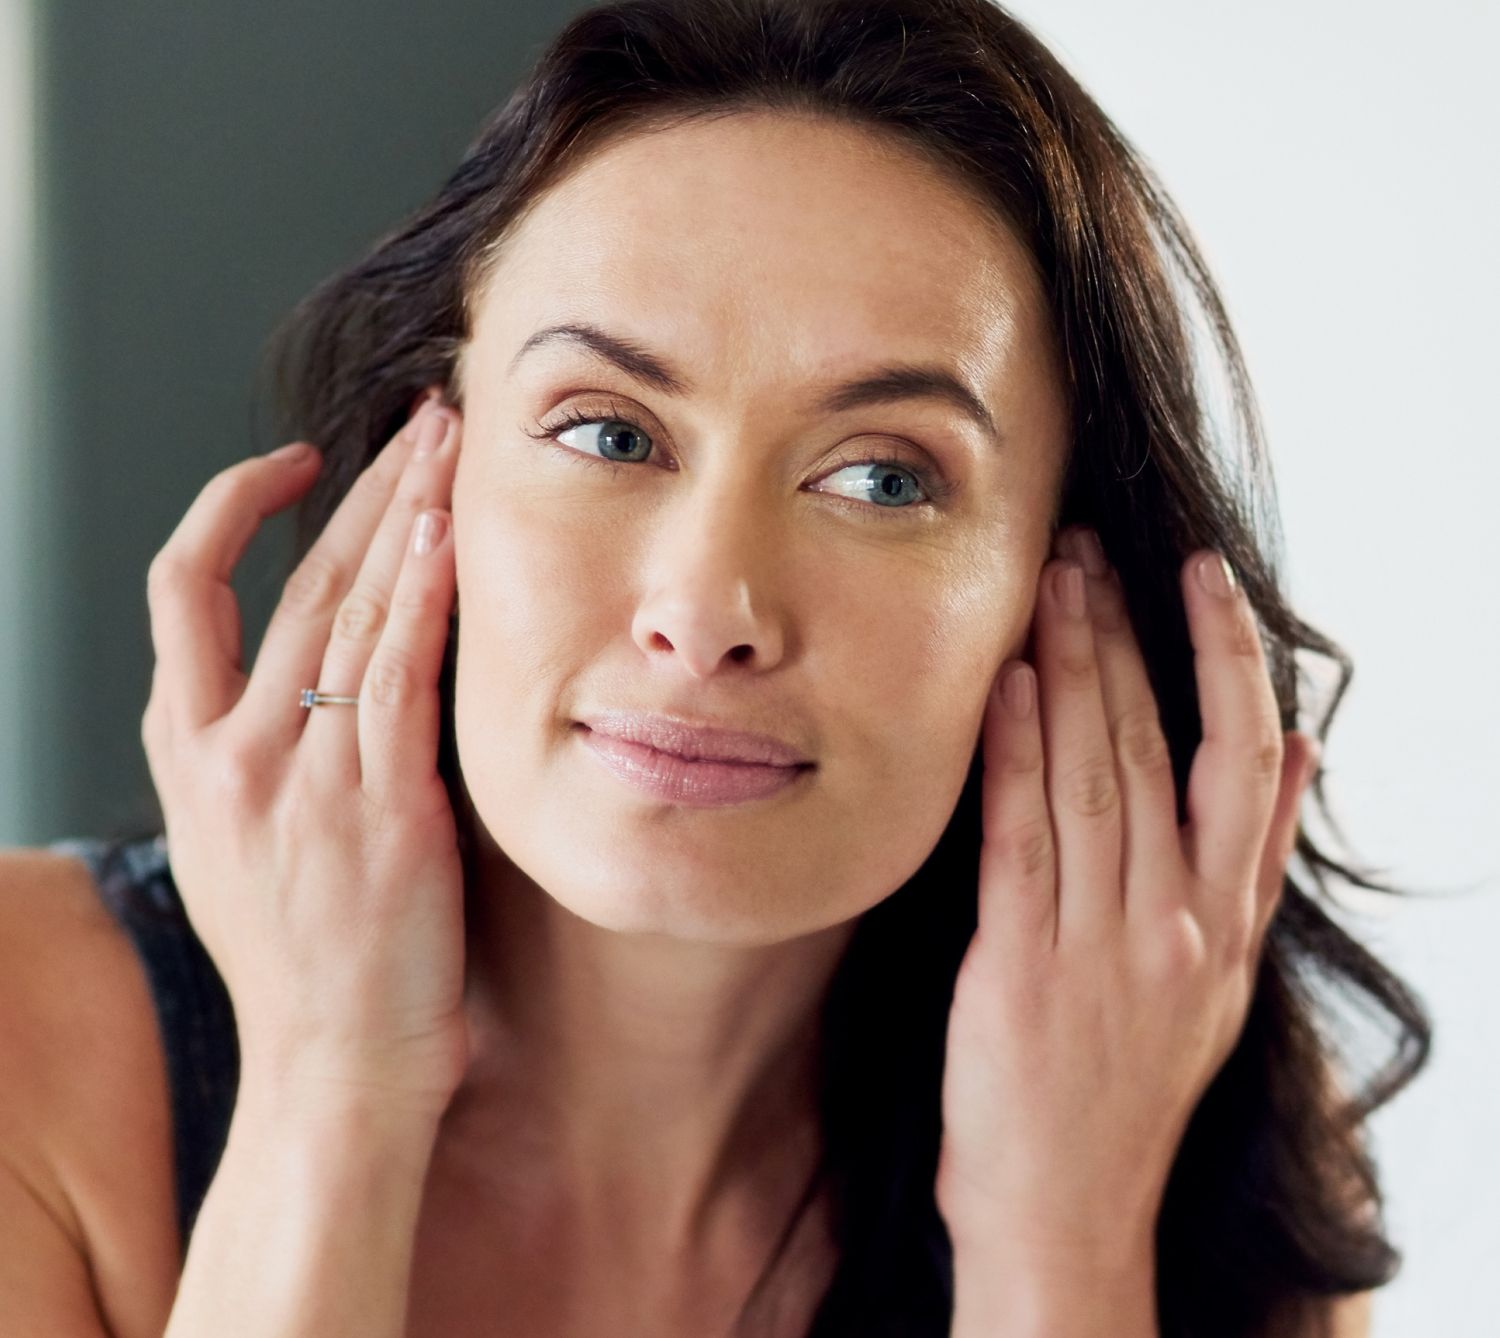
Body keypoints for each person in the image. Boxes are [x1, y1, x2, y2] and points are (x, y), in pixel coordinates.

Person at [0, 0, 1430, 1335]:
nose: (708, 610)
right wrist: (330, 1091)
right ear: (430, 469)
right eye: (608, 432)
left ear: (1062, 592)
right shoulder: (32, 1034)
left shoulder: (1204, 1139)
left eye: (881, 477)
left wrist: (1058, 1244)